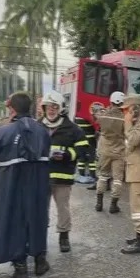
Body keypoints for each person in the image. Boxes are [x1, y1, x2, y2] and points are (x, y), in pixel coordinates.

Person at [0, 92, 51, 278]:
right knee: (37, 218)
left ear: (11, 108)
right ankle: (40, 261)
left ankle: (21, 270)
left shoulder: (5, 131)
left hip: (11, 184)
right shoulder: (43, 130)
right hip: (37, 183)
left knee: (14, 220)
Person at [38, 91, 88, 253]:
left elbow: (83, 149)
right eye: (48, 107)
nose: (51, 110)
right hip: (41, 177)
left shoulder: (72, 129)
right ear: (44, 108)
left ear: (60, 108)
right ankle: (39, 236)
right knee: (40, 208)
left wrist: (67, 155)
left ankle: (64, 237)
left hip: (63, 177)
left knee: (63, 208)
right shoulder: (37, 127)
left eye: (55, 107)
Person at [120, 95, 140, 254]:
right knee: (136, 205)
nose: (124, 113)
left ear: (134, 109)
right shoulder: (138, 124)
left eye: (126, 110)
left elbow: (133, 141)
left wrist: (127, 123)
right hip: (136, 169)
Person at [95, 91, 126, 214]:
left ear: (111, 101)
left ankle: (99, 203)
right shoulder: (124, 118)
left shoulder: (103, 115)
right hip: (118, 150)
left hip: (105, 149)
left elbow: (98, 125)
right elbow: (127, 133)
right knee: (117, 179)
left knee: (103, 176)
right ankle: (114, 205)